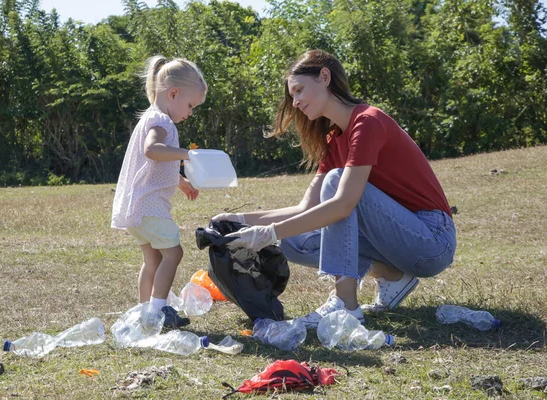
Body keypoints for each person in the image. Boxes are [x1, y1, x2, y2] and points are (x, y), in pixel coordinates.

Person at [212, 49, 456, 327]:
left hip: (432, 241)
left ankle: (345, 304)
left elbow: (343, 204)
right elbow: (305, 209)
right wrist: (238, 221)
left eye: (300, 90)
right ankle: (392, 276)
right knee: (293, 242)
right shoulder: (334, 139)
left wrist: (268, 233)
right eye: (293, 95)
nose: (296, 102)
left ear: (324, 77)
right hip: (395, 241)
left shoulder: (367, 121)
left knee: (336, 184)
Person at [112, 55, 207, 328]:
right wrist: (188, 155)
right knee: (174, 253)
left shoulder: (151, 118)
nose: (189, 112)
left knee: (152, 259)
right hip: (149, 206)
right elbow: (152, 151)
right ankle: (159, 309)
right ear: (173, 93)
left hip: (137, 208)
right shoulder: (162, 122)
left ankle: (145, 311)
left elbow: (152, 165)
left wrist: (180, 181)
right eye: (190, 105)